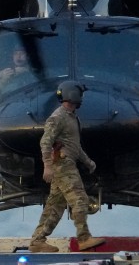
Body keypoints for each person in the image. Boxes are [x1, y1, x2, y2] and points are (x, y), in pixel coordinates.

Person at [28, 81, 105, 253]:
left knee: (55, 205)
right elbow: (45, 142)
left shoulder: (71, 117)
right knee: (80, 199)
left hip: (66, 163)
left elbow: (74, 146)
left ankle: (37, 241)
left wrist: (87, 162)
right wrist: (47, 166)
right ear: (73, 95)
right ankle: (84, 238)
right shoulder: (58, 117)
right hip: (62, 166)